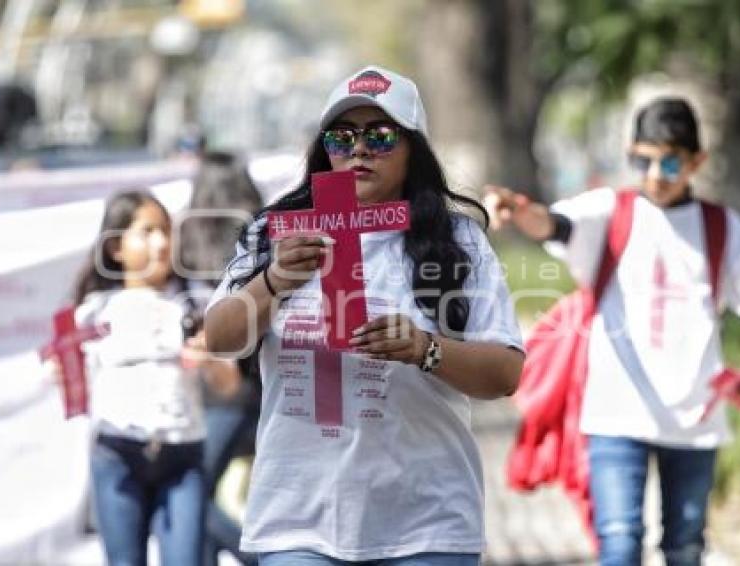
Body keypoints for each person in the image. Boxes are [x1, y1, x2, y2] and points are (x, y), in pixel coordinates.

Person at [204, 65, 525, 566]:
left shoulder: (459, 242)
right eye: (341, 137)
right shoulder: (275, 233)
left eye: (379, 136)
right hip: (297, 521)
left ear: (412, 148)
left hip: (425, 522)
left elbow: (505, 374)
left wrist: (426, 349)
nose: (358, 150)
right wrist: (276, 281)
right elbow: (219, 338)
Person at [485, 97, 740, 566]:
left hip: (694, 420)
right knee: (619, 542)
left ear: (697, 162)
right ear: (630, 153)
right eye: (642, 159)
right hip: (615, 413)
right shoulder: (612, 210)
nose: (655, 174)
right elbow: (555, 225)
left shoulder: (721, 228)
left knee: (685, 547)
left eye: (670, 161)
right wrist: (520, 209)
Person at [72, 190, 238, 566]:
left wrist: (209, 360)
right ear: (116, 247)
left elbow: (229, 385)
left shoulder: (198, 302)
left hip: (182, 459)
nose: (161, 242)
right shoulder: (92, 313)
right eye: (146, 232)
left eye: (165, 230)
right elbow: (75, 388)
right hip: (117, 455)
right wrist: (63, 371)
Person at [180, 150, 263, 566]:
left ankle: (268, 556)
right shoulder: (261, 237)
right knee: (204, 494)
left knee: (193, 494)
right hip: (259, 389)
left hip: (213, 398)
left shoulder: (185, 243)